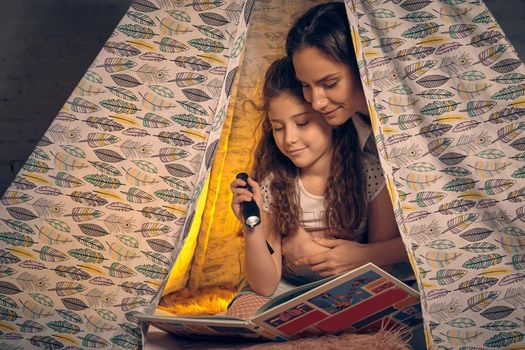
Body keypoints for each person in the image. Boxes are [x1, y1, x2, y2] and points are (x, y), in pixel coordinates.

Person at [226, 57, 406, 319]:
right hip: (285, 289)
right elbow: (264, 285)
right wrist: (251, 228)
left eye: (302, 123)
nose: (289, 139)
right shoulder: (273, 184)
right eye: (278, 127)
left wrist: (316, 253)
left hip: (349, 286)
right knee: (245, 312)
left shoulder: (370, 174)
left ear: (330, 119)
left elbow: (383, 267)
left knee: (387, 311)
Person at [283, 1, 411, 277]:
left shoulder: (408, 127)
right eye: (306, 85)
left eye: (329, 84)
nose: (316, 101)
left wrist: (369, 256)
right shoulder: (336, 127)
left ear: (363, 68)